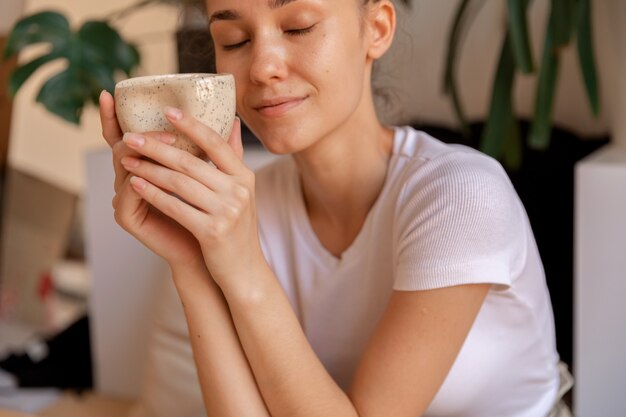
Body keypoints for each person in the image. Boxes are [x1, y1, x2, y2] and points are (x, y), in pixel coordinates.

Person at [99, 0, 568, 415]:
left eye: (299, 26)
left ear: (377, 29)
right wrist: (193, 261)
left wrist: (243, 268)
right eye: (234, 39)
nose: (262, 67)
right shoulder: (244, 209)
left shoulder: (460, 195)